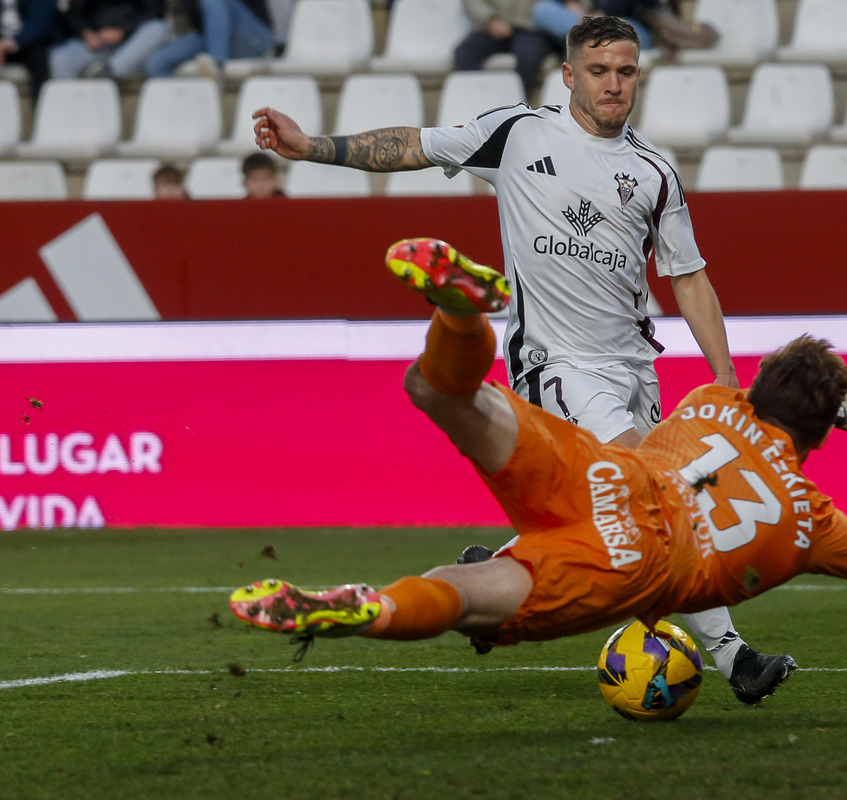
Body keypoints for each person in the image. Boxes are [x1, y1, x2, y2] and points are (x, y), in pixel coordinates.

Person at [248, 15, 795, 704]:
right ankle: (734, 657)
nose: (614, 84)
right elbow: (413, 145)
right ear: (569, 75)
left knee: (614, 529)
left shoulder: (654, 171)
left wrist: (723, 378)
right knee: (658, 501)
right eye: (599, 71)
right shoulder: (518, 133)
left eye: (626, 71)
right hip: (557, 366)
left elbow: (688, 276)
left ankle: (495, 568)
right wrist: (312, 147)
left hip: (636, 369)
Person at [230, 245, 847, 680]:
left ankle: (463, 318)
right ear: (821, 432)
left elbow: (771, 402)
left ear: (758, 385)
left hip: (610, 476)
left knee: (444, 395)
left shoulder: (711, 404)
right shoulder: (809, 520)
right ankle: (367, 607)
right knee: (468, 596)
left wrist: (840, 402)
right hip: (639, 561)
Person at [142, 0, 273, 80]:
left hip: (252, 36)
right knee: (155, 63)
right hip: (209, 37)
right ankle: (190, 103)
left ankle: (215, 65)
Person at [455, 0, 555, 102]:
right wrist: (489, 19)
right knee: (465, 53)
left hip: (531, 29)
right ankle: (480, 100)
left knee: (528, 57)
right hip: (490, 28)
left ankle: (521, 104)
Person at [49, 0, 168, 80]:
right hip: (98, 43)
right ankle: (69, 109)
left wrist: (124, 31)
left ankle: (109, 73)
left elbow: (155, 12)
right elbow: (73, 14)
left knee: (158, 28)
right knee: (60, 57)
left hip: (133, 45)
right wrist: (85, 32)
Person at [532, 0, 655, 52]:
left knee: (627, 32)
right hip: (584, 21)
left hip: (628, 24)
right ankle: (591, 36)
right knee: (543, 10)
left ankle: (590, 36)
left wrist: (602, 14)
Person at [0, 0, 62, 101]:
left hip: (29, 43)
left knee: (39, 55)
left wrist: (9, 44)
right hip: (3, 44)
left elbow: (41, 23)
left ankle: (41, 108)